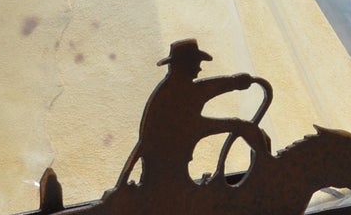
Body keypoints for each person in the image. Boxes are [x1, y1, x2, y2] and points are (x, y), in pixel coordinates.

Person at [116, 40, 272, 189]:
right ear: (184, 65)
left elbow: (209, 88)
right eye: (196, 63)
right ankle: (266, 164)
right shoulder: (172, 94)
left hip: (177, 163)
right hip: (166, 176)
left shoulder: (182, 89)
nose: (199, 68)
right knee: (240, 125)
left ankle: (265, 163)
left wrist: (234, 82)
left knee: (241, 125)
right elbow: (152, 138)